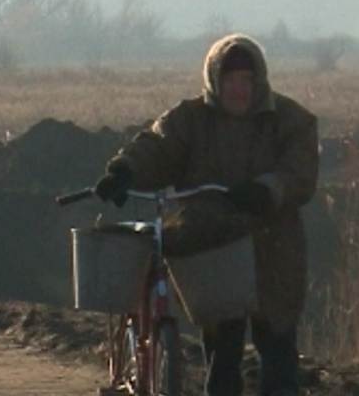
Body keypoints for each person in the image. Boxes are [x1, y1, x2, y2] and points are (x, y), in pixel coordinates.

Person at [93, 33, 318, 396]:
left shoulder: (291, 121)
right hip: (213, 250)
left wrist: (268, 189)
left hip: (274, 252)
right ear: (214, 80)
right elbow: (158, 146)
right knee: (222, 355)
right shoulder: (190, 121)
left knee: (278, 355)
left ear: (259, 80)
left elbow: (301, 171)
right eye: (230, 80)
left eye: (246, 80)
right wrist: (124, 172)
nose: (239, 90)